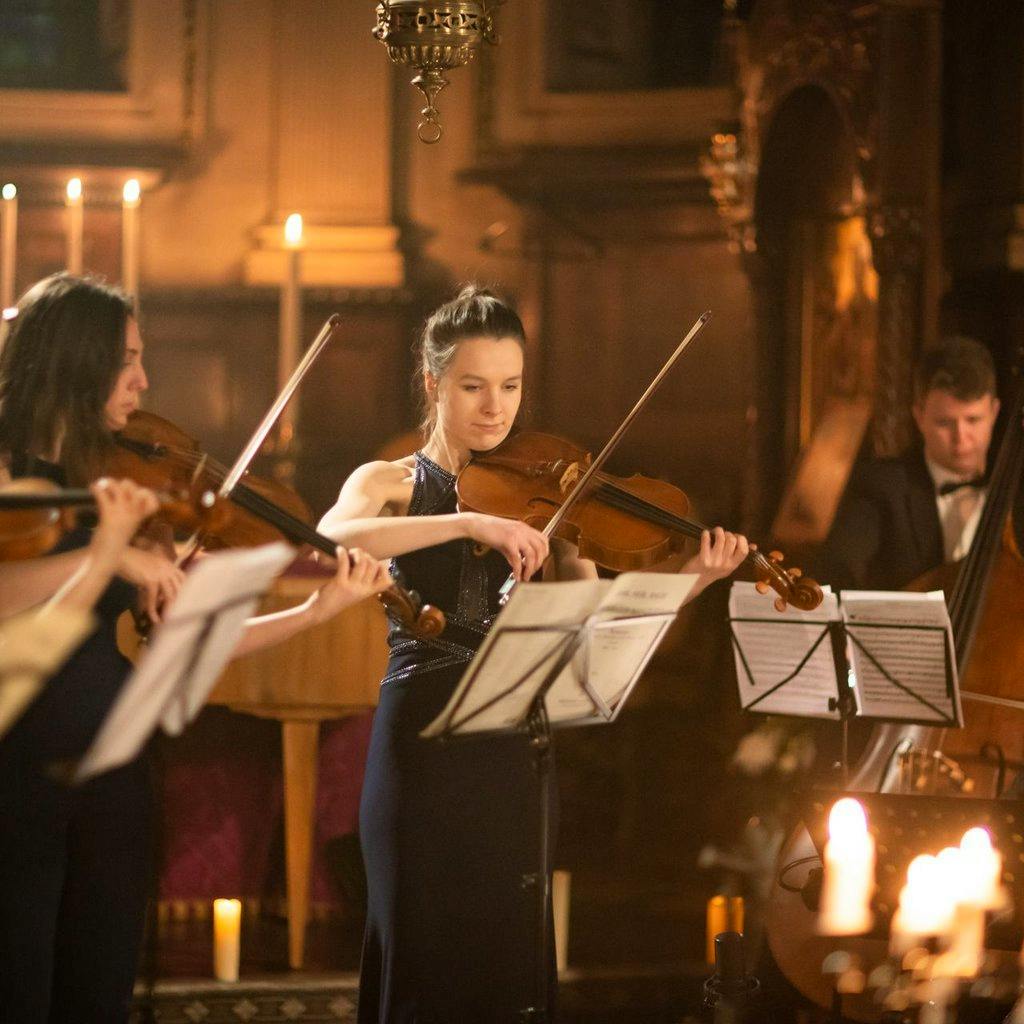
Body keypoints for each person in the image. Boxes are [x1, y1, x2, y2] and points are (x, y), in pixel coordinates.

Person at [317, 285, 750, 1023]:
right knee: (422, 972)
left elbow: (601, 631)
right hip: (422, 750)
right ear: (432, 383)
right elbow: (337, 534)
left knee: (506, 980)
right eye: (474, 386)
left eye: (511, 386)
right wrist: (468, 523)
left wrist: (695, 578)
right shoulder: (387, 482)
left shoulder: (548, 501)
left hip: (516, 754)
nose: (496, 407)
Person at [0, 273, 393, 1024]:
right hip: (18, 774)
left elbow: (181, 644)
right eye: (126, 361)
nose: (144, 382)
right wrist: (107, 554)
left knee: (98, 991)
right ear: (74, 359)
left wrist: (319, 609)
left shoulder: (108, 482)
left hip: (112, 770)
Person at [820, 335, 1000, 592]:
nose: (961, 438)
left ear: (994, 412)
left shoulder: (1015, 492)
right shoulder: (881, 485)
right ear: (919, 416)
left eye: (973, 420)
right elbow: (837, 572)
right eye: (944, 423)